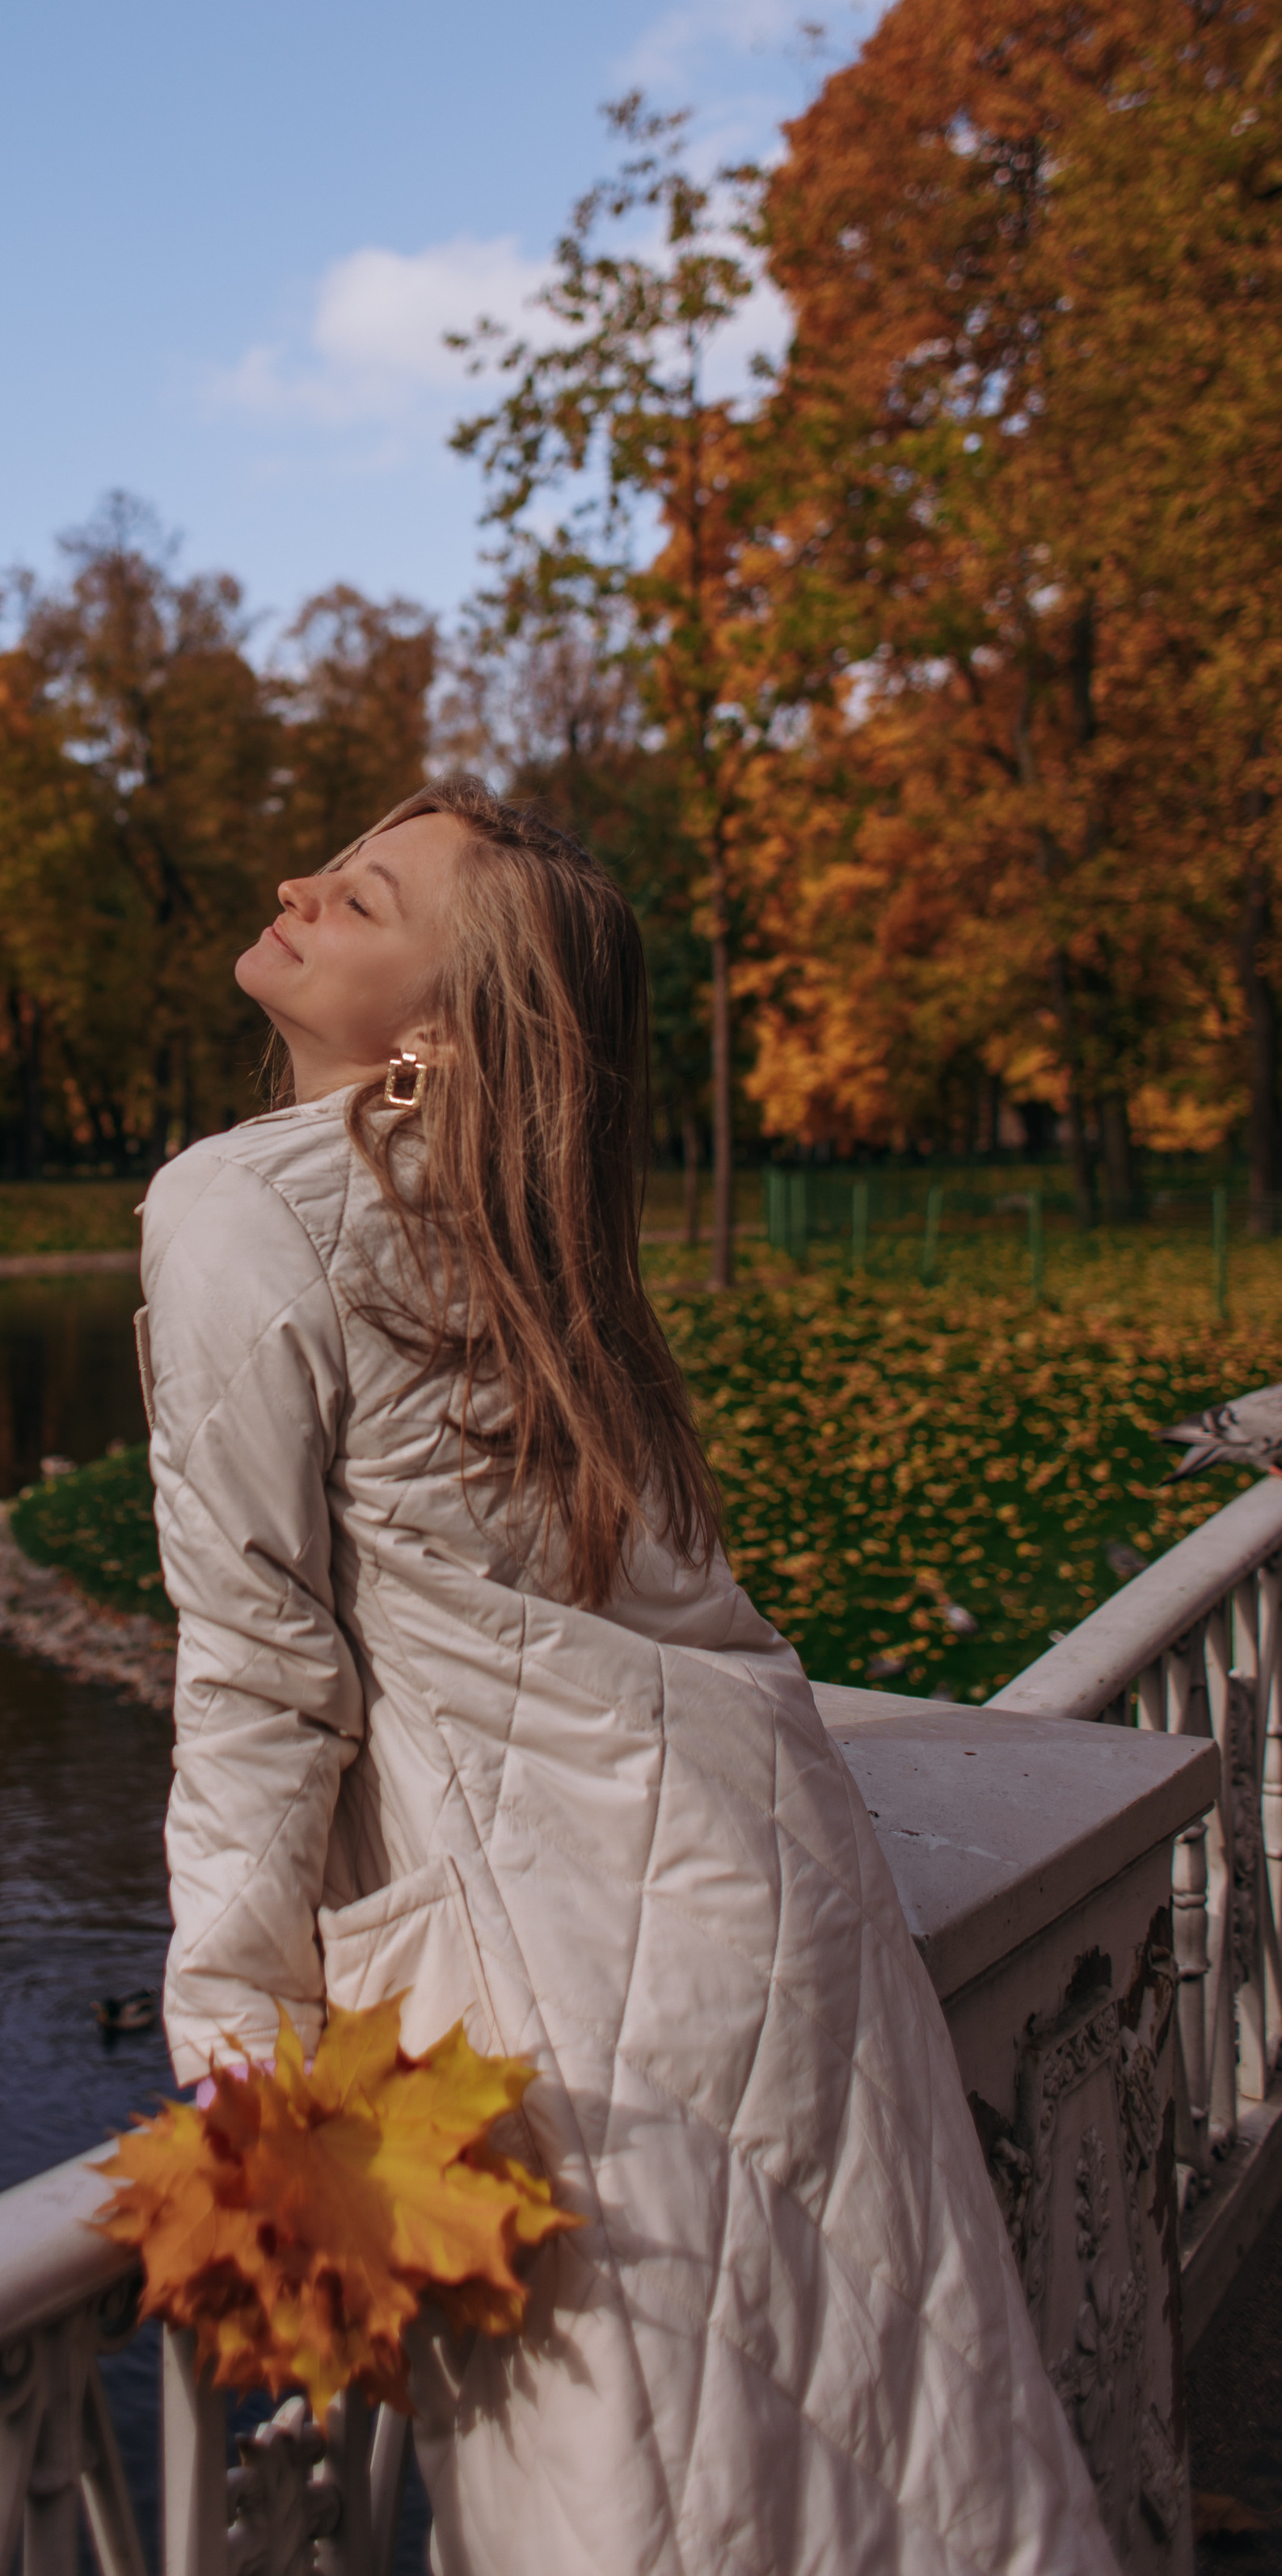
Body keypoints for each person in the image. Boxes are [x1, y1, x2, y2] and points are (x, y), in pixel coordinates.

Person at [134, 777, 1113, 2576]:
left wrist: (237, 2067)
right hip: (788, 1929)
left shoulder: (236, 1209)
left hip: (566, 2013)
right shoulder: (541, 1232)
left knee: (652, 2509)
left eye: (357, 896)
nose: (294, 886)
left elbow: (259, 1672)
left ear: (442, 1025)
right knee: (905, 2471)